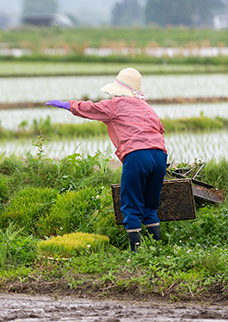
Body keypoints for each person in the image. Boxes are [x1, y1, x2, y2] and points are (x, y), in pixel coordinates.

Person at [46, 67, 167, 252]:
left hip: (137, 154)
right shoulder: (147, 107)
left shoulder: (115, 105)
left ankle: (135, 253)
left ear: (118, 91)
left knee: (131, 202)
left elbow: (90, 108)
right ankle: (157, 249)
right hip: (159, 154)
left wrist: (68, 105)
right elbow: (160, 129)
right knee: (150, 205)